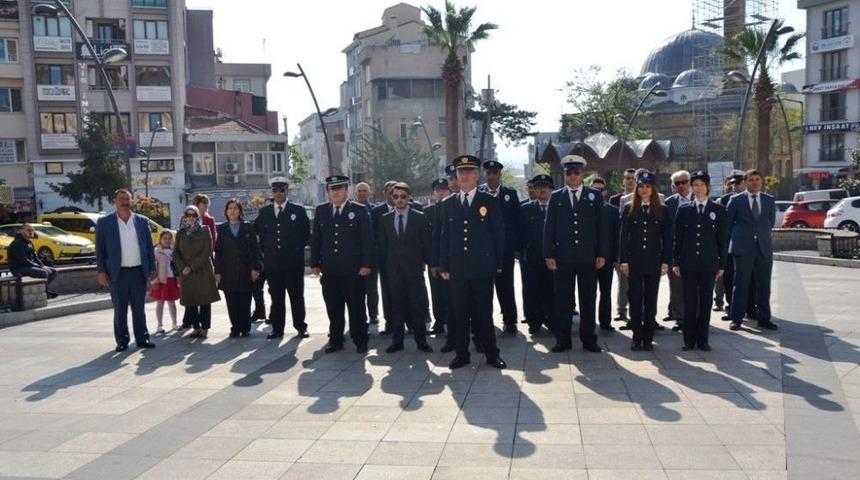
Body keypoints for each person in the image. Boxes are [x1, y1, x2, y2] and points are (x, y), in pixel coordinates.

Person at [439, 154, 507, 370]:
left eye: (469, 172)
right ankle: (462, 355)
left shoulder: (489, 201)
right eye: (461, 172)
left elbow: (498, 235)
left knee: (484, 314)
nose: (465, 175)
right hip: (457, 270)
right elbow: (444, 237)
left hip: (482, 269)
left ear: (478, 175)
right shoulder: (448, 204)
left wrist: (497, 264)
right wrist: (444, 265)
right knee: (460, 315)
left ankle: (492, 355)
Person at [544, 155, 607, 353]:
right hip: (563, 257)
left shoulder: (594, 195)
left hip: (588, 257)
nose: (572, 176)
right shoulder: (556, 196)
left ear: (582, 174)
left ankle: (589, 339)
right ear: (565, 174)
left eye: (576, 172)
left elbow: (601, 227)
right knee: (563, 300)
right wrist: (549, 254)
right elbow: (549, 227)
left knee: (588, 299)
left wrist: (602, 253)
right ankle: (562, 340)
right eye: (569, 172)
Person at [311, 175, 374, 354]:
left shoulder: (359, 210)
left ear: (346, 190)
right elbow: (316, 239)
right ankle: (336, 339)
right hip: (330, 270)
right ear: (328, 192)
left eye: (339, 188)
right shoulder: (321, 210)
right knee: (333, 307)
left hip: (353, 270)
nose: (336, 192)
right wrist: (314, 263)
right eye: (332, 189)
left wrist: (366, 264)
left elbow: (367, 240)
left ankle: (360, 339)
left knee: (357, 308)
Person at [96, 189, 157, 352]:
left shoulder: (142, 221)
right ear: (114, 201)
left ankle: (142, 338)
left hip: (138, 272)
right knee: (120, 309)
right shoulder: (104, 222)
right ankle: (122, 340)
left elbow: (149, 247)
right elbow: (99, 250)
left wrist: (152, 268)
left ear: (132, 201)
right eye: (121, 199)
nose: (124, 202)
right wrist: (101, 271)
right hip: (117, 273)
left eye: (127, 199)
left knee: (139, 308)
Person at [673, 171, 728, 351]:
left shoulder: (718, 210)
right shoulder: (684, 209)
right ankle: (689, 340)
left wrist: (722, 264)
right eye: (695, 185)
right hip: (688, 263)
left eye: (701, 185)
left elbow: (722, 240)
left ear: (708, 187)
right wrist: (676, 262)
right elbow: (678, 238)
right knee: (689, 302)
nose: (698, 188)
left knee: (705, 302)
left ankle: (703, 339)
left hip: (708, 263)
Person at [377, 182, 433, 353]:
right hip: (394, 271)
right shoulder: (385, 219)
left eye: (403, 196)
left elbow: (426, 243)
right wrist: (385, 267)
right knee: (396, 307)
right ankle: (397, 342)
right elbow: (382, 246)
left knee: (417, 306)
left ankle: (421, 341)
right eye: (395, 196)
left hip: (414, 270)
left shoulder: (419, 217)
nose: (399, 200)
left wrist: (431, 265)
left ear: (409, 197)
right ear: (391, 198)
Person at [619, 171, 671, 351]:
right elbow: (623, 237)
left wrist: (665, 261)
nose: (644, 189)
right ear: (637, 188)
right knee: (634, 299)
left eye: (648, 186)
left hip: (653, 261)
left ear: (653, 189)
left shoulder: (662, 209)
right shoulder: (629, 208)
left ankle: (648, 338)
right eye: (641, 186)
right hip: (634, 262)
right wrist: (624, 261)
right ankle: (636, 337)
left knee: (650, 300)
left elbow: (667, 238)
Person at [254, 177, 311, 339]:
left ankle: (300, 326)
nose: (278, 193)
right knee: (277, 297)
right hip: (273, 264)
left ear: (287, 191)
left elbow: (306, 234)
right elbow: (259, 233)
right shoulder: (265, 212)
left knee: (296, 296)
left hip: (293, 263)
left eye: (281, 190)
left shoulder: (297, 210)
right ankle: (277, 329)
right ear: (272, 193)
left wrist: (295, 250)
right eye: (275, 190)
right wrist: (267, 251)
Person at [726, 169, 778, 331]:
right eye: (751, 180)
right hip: (743, 248)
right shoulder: (736, 200)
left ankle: (764, 318)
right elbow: (727, 224)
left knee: (764, 285)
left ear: (761, 182)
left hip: (763, 248)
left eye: (757, 179)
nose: (755, 182)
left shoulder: (769, 200)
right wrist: (740, 236)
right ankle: (736, 319)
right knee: (741, 284)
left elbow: (770, 222)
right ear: (745, 182)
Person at [480, 160, 521, 333]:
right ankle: (484, 320)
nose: (491, 176)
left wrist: (516, 248)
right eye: (488, 173)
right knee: (484, 288)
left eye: (495, 173)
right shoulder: (479, 194)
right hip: (484, 250)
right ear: (484, 175)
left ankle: (510, 320)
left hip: (505, 249)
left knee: (506, 285)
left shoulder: (510, 194)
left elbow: (517, 221)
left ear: (500, 175)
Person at [215, 199, 263, 338]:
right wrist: (217, 271)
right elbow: (219, 251)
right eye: (230, 208)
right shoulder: (222, 228)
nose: (232, 211)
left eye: (235, 208)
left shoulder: (247, 227)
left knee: (245, 300)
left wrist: (255, 268)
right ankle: (235, 327)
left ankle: (245, 327)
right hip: (228, 270)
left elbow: (254, 249)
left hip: (245, 269)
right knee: (231, 301)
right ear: (226, 211)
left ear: (240, 211)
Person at [174, 205, 220, 339]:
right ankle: (195, 327)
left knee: (205, 300)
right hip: (186, 272)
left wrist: (192, 266)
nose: (191, 218)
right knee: (190, 300)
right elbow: (176, 252)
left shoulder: (204, 230)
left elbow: (207, 251)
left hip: (202, 270)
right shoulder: (181, 232)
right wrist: (182, 267)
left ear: (197, 216)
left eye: (193, 215)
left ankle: (205, 328)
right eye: (188, 215)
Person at [520, 174, 555, 335]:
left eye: (545, 186)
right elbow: (520, 232)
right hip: (532, 257)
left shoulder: (557, 207)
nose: (542, 190)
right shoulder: (525, 209)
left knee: (552, 290)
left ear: (551, 189)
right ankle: (534, 321)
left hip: (553, 258)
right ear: (534, 189)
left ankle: (552, 319)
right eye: (539, 187)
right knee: (532, 290)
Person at [180, 194, 217, 329]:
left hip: (203, 262)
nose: (206, 206)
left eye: (207, 204)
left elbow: (212, 242)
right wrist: (183, 265)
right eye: (203, 203)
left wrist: (199, 261)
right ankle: (190, 321)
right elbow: (180, 244)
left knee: (204, 294)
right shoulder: (184, 221)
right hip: (188, 264)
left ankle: (204, 325)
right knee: (190, 294)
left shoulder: (208, 221)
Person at [664, 170, 693, 330]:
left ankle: (696, 318)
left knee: (695, 287)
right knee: (677, 287)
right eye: (677, 183)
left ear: (690, 182)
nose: (681, 185)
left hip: (696, 252)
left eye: (684, 182)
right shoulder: (668, 203)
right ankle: (680, 319)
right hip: (675, 252)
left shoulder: (700, 199)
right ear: (673, 186)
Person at [590, 177, 618, 333]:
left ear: (605, 192)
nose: (598, 192)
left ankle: (605, 321)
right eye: (594, 189)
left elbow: (616, 236)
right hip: (587, 258)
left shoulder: (612, 210)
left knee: (605, 291)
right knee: (589, 293)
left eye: (600, 190)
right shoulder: (584, 209)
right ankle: (589, 321)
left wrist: (616, 258)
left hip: (607, 258)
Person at [424, 178, 451, 336]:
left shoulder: (454, 208)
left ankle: (454, 321)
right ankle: (439, 321)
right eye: (438, 190)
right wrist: (432, 262)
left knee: (452, 293)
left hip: (451, 259)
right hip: (434, 259)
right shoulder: (427, 212)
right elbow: (428, 240)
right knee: (436, 292)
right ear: (433, 193)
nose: (441, 192)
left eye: (444, 189)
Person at [610, 168, 637, 323]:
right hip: (622, 247)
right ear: (623, 181)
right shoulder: (615, 200)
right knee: (623, 282)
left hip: (639, 248)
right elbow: (614, 226)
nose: (630, 181)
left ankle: (639, 312)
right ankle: (621, 310)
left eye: (633, 178)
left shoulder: (646, 198)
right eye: (628, 178)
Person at [8, 223, 59, 298]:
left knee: (54, 271)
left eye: (32, 230)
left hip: (28, 266)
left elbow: (35, 257)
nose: (31, 232)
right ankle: (44, 292)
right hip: (18, 268)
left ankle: (44, 290)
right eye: (28, 230)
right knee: (43, 273)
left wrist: (42, 266)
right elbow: (23, 260)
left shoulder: (29, 242)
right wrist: (40, 267)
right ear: (21, 231)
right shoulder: (17, 243)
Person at [353, 181, 380, 325]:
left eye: (365, 191)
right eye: (359, 191)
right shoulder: (350, 209)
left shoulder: (374, 210)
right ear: (355, 193)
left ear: (369, 193)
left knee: (371, 288)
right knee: (356, 289)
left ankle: (373, 314)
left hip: (371, 256)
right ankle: (359, 315)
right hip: (354, 257)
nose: (362, 193)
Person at [712, 176, 735, 312]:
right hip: (722, 244)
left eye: (736, 183)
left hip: (736, 244)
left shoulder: (742, 199)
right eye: (730, 184)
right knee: (719, 275)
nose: (732, 186)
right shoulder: (721, 201)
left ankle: (732, 303)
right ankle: (718, 301)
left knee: (733, 276)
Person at [150, 231, 179, 333]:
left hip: (172, 279)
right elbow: (153, 267)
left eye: (169, 238)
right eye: (164, 238)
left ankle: (174, 323)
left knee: (172, 302)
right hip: (161, 280)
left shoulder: (174, 251)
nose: (167, 240)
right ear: (160, 239)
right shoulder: (156, 251)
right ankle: (159, 325)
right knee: (160, 302)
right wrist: (154, 280)